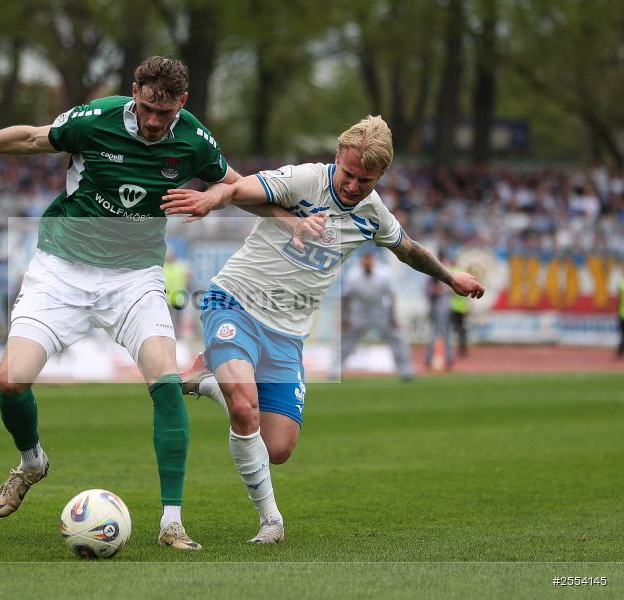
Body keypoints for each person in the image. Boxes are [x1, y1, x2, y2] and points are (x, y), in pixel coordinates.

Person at [0, 56, 239, 550]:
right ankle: (32, 463)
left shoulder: (194, 138)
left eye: (166, 112)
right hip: (61, 269)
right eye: (148, 107)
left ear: (183, 102)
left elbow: (234, 183)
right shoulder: (96, 119)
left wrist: (230, 202)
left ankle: (171, 522)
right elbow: (30, 137)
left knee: (167, 384)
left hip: (135, 277)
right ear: (135, 92)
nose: (155, 121)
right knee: (9, 382)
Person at [161, 115, 484, 544]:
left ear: (380, 176)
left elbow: (410, 250)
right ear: (337, 158)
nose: (352, 186)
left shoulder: (372, 214)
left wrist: (450, 278)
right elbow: (238, 188)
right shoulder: (303, 181)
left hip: (288, 332)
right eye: (348, 174)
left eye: (364, 180)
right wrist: (210, 198)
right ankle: (271, 521)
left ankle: (207, 381)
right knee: (244, 408)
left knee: (277, 448)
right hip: (235, 302)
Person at [331, 251, 414, 381]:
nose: (367, 262)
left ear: (373, 261)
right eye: (365, 259)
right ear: (361, 261)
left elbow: (391, 297)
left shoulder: (385, 273)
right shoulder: (354, 274)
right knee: (344, 339)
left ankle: (406, 371)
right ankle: (336, 370)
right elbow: (347, 298)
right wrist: (345, 320)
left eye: (369, 259)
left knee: (397, 338)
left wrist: (393, 319)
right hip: (359, 313)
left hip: (380, 312)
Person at [425, 251, 453, 370]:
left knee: (441, 334)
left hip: (443, 307)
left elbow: (431, 291)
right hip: (439, 307)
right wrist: (441, 291)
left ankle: (446, 359)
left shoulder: (440, 272)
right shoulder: (437, 273)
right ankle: (432, 359)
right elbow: (432, 290)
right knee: (439, 334)